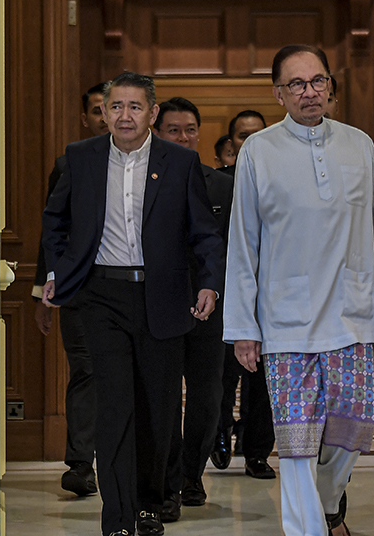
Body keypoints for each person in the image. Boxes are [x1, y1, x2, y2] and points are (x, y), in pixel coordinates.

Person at [223, 45, 374, 536]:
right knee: (295, 442)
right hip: (284, 319)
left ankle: (329, 503)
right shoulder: (258, 152)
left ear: (331, 86)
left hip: (349, 314)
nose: (309, 92)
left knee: (351, 431)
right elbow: (242, 245)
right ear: (278, 94)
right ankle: (306, 529)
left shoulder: (359, 145)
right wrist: (244, 327)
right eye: (296, 84)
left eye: (317, 82)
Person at [41, 72, 226, 536]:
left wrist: (209, 283)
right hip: (101, 296)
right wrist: (55, 274)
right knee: (116, 407)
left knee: (158, 409)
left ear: (152, 113)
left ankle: (150, 504)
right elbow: (55, 221)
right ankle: (118, 517)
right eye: (116, 106)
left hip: (162, 297)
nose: (125, 115)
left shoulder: (180, 162)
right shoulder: (78, 159)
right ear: (103, 112)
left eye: (135, 107)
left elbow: (203, 232)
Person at [151, 97, 233, 521]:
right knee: (163, 398)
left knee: (207, 396)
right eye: (173, 130)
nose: (183, 137)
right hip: (159, 304)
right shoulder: (144, 179)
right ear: (157, 131)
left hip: (210, 306)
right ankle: (167, 480)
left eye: (189, 130)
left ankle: (191, 475)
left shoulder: (220, 184)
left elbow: (230, 250)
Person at [32, 82, 108, 497]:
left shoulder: (154, 162)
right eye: (97, 110)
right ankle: (81, 464)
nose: (105, 116)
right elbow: (52, 231)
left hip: (131, 288)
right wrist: (44, 291)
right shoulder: (69, 165)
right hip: (79, 289)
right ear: (86, 118)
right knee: (86, 368)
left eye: (111, 108)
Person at [212, 110, 277, 481]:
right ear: (229, 144)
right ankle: (219, 431)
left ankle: (256, 452)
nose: (249, 141)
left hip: (271, 295)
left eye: (256, 134)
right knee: (223, 377)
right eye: (241, 135)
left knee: (263, 383)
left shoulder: (279, 178)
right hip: (227, 293)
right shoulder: (217, 183)